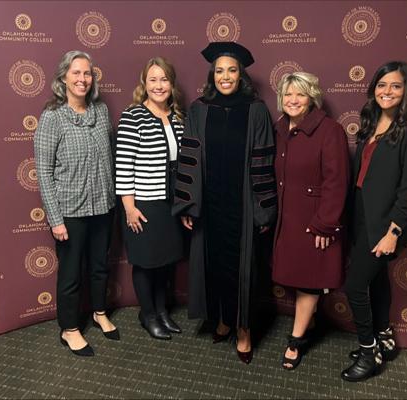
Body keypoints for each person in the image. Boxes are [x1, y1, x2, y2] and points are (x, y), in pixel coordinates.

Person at [173, 42, 277, 364]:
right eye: (219, 71)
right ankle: (222, 319)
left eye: (232, 70)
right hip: (209, 205)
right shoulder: (200, 109)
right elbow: (189, 158)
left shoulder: (256, 110)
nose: (225, 76)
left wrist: (262, 210)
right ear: (212, 75)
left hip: (242, 206)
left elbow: (263, 162)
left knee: (243, 270)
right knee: (213, 264)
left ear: (241, 74)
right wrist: (189, 204)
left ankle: (243, 329)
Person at [341, 61, 407, 381]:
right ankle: (385, 338)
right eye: (382, 85)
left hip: (385, 221)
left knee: (355, 285)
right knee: (377, 279)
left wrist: (393, 231)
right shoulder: (369, 123)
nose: (387, 91)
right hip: (360, 213)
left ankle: (369, 353)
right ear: (374, 89)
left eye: (395, 86)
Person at [34, 50, 119, 357]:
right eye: (76, 73)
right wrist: (55, 219)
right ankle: (69, 329)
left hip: (103, 206)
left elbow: (109, 157)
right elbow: (43, 172)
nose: (83, 79)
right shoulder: (52, 117)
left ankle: (99, 312)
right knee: (71, 273)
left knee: (99, 266)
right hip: (69, 211)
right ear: (63, 78)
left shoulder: (101, 112)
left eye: (87, 73)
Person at [272, 72, 350, 370]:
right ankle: (310, 320)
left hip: (313, 220)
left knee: (309, 281)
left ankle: (296, 340)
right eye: (288, 94)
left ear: (312, 98)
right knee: (298, 275)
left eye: (300, 94)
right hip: (286, 217)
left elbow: (337, 182)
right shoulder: (279, 127)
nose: (293, 100)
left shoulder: (330, 130)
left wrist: (325, 223)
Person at [115, 57, 184, 340]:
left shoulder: (178, 117)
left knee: (165, 261)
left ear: (172, 83)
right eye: (153, 79)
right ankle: (148, 314)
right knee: (146, 262)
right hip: (144, 203)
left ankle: (162, 310)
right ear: (144, 83)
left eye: (164, 79)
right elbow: (123, 165)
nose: (159, 85)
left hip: (171, 203)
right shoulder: (133, 116)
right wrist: (129, 208)